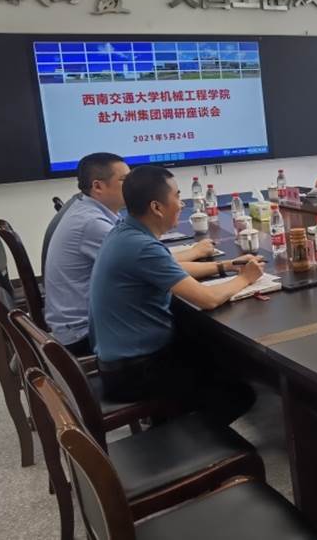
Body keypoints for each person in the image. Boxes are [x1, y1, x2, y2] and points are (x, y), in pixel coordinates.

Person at [89, 165, 262, 424]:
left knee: (215, 351)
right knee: (237, 392)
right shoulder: (141, 246)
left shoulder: (125, 231)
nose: (181, 204)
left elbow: (168, 268)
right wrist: (245, 278)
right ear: (157, 207)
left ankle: (173, 416)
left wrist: (226, 265)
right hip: (135, 372)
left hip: (120, 360)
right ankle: (178, 435)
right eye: (178, 197)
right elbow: (208, 299)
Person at [44, 154, 217, 357]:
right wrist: (200, 255)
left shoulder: (91, 210)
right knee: (200, 336)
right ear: (98, 186)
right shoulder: (92, 224)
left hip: (93, 321)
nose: (132, 185)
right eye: (124, 180)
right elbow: (151, 261)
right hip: (86, 333)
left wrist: (199, 255)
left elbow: (151, 259)